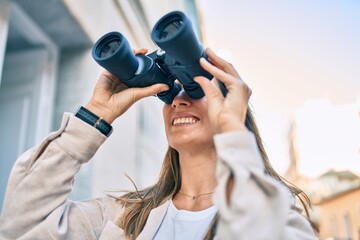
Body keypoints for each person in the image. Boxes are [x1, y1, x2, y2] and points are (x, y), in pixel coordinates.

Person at [0, 48, 316, 239]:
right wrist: (95, 115)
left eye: (194, 89)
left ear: (232, 104)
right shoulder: (122, 217)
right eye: (169, 93)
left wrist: (233, 130)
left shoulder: (274, 211)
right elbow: (22, 227)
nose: (177, 101)